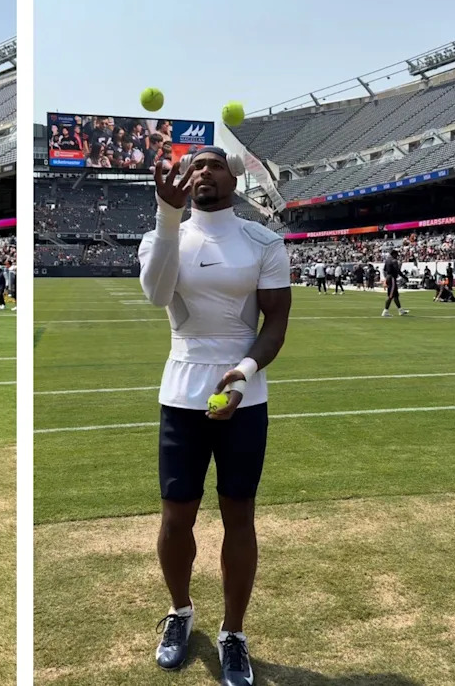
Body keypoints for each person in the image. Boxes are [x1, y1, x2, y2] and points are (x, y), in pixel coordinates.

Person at [139, 148, 291, 685]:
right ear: (184, 178)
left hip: (244, 397)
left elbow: (275, 323)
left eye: (213, 164)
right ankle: (180, 613)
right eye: (194, 166)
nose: (203, 171)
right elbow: (156, 293)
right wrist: (165, 213)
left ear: (234, 176)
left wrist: (245, 372)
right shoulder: (165, 234)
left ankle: (233, 634)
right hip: (181, 389)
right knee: (176, 516)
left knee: (239, 517)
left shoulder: (264, 241)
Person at [382, 249, 409, 317]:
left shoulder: (387, 260)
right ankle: (385, 311)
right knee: (391, 296)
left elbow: (384, 270)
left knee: (396, 295)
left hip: (389, 277)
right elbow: (398, 271)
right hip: (392, 278)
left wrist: (386, 278)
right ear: (394, 254)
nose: (397, 256)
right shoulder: (394, 261)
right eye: (396, 255)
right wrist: (404, 277)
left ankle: (400, 310)